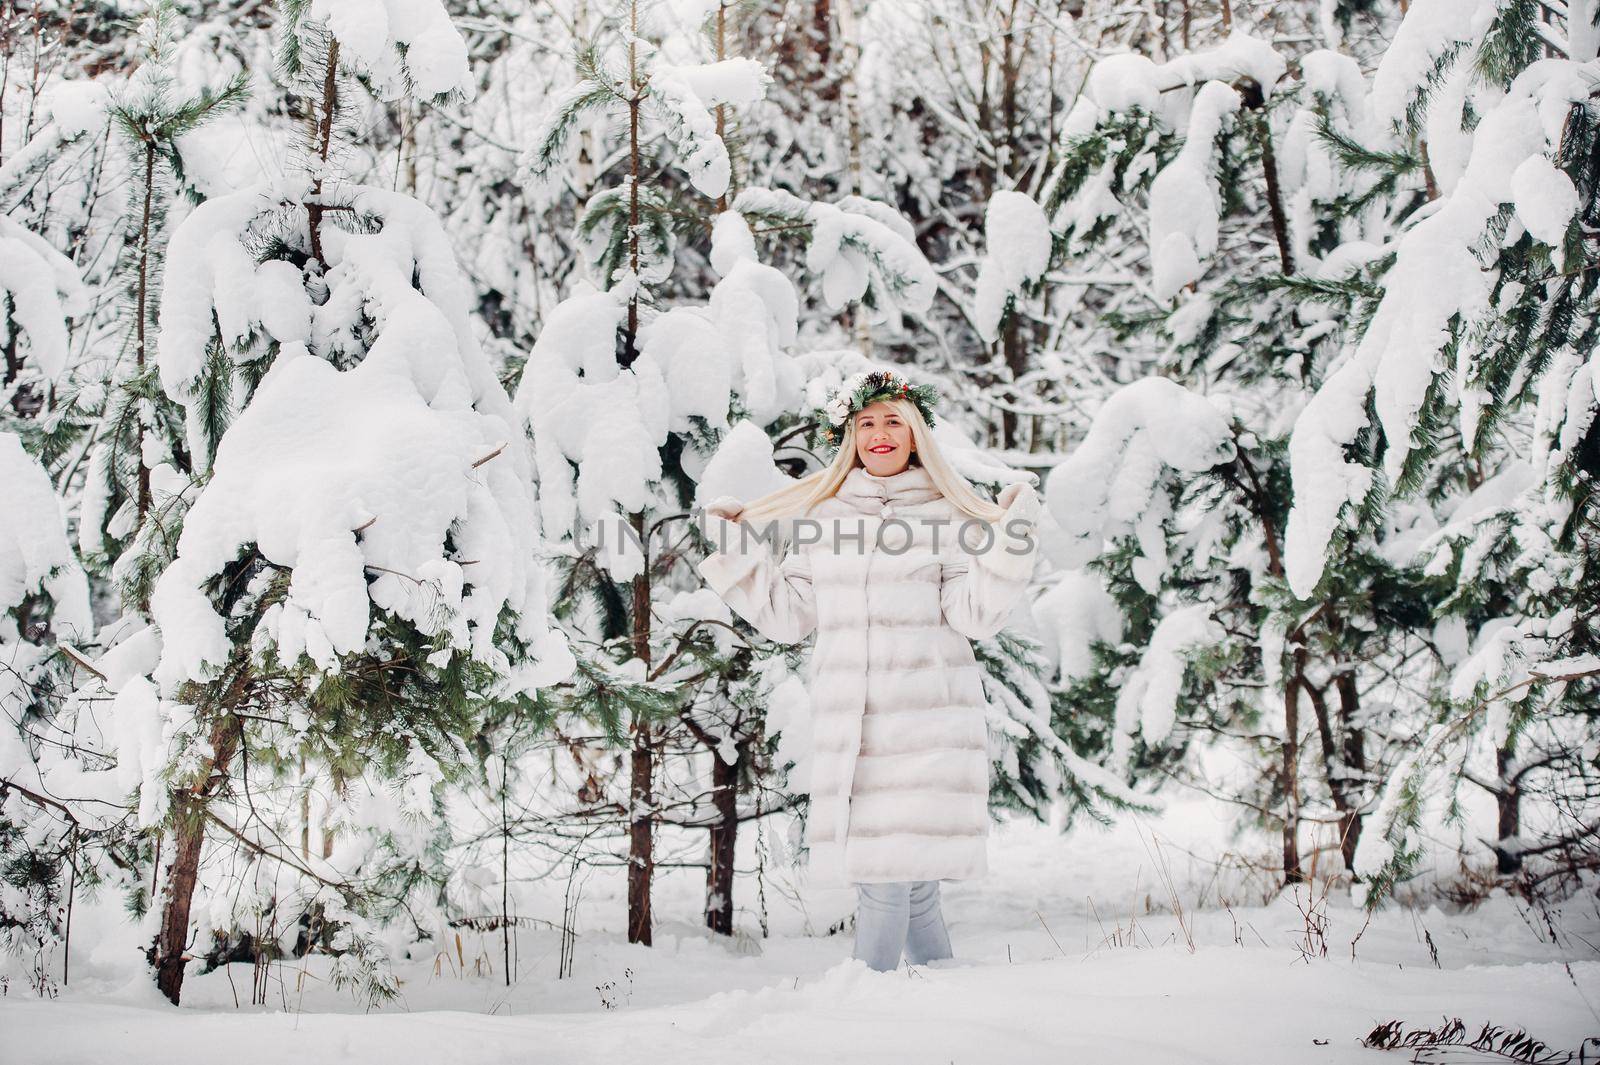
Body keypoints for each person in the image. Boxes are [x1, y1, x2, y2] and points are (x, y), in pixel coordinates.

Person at [695, 367, 1042, 973]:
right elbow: (790, 616)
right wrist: (735, 551)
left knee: (887, 883)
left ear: (916, 435)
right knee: (912, 891)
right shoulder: (822, 518)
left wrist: (1009, 545)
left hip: (928, 726)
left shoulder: (948, 516)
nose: (880, 434)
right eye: (866, 423)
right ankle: (948, 1008)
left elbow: (974, 615)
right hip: (856, 732)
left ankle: (858, 1016)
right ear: (848, 435)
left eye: (894, 422)